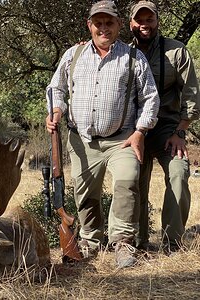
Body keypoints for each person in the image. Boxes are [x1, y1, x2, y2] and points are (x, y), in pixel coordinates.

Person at [45, 0, 160, 268]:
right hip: (82, 141)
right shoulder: (73, 55)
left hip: (122, 139)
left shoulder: (133, 58)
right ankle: (90, 241)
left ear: (119, 25)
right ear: (90, 26)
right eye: (98, 23)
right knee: (85, 194)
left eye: (109, 23)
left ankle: (122, 243)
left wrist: (140, 131)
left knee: (127, 181)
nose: (103, 28)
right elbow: (56, 89)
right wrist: (57, 111)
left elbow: (150, 99)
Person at [129, 1, 200, 254]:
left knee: (179, 174)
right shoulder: (122, 53)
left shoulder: (177, 52)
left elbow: (191, 93)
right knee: (133, 181)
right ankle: (136, 242)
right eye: (140, 20)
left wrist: (181, 131)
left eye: (150, 19)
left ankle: (173, 243)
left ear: (157, 21)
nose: (144, 25)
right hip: (133, 130)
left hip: (167, 128)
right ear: (131, 24)